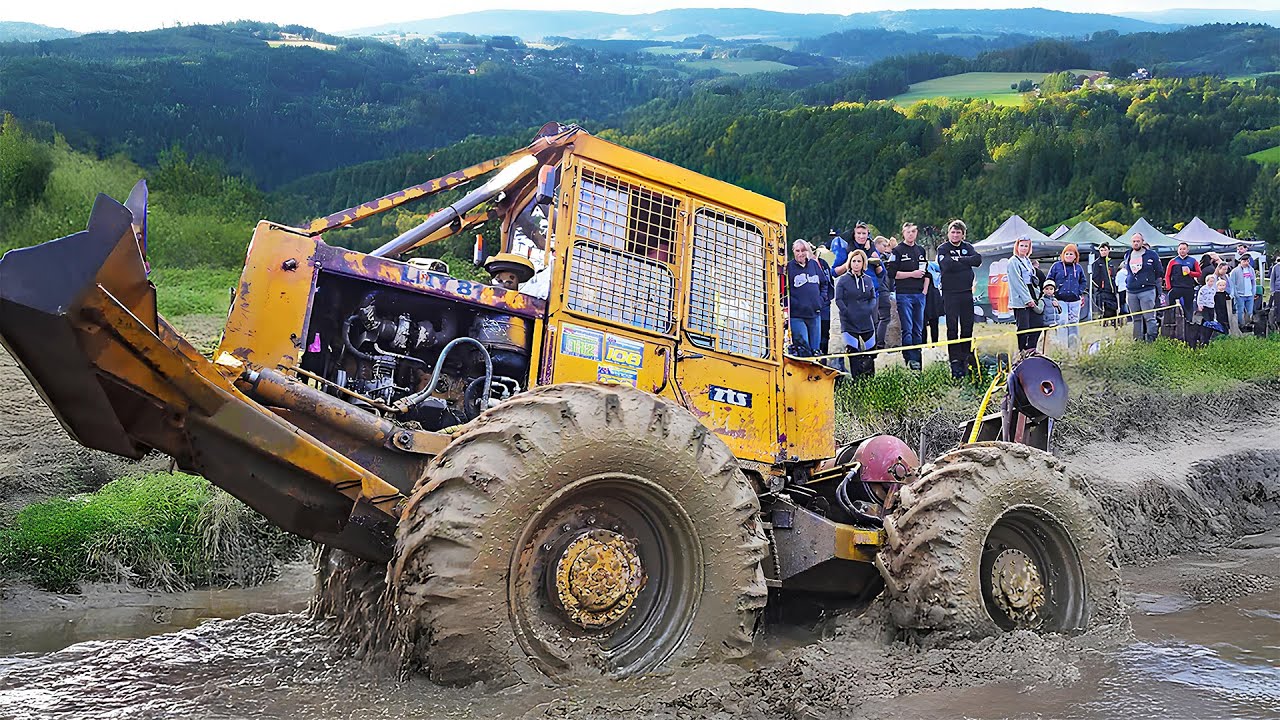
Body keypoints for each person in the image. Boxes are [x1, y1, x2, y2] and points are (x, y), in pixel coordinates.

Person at [935, 219, 982, 378]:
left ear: (963, 234)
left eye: (958, 232)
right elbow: (946, 265)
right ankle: (954, 360)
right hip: (950, 293)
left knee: (967, 327)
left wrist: (959, 260)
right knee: (952, 328)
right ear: (948, 234)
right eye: (953, 232)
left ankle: (966, 356)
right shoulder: (943, 248)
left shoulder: (968, 247)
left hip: (966, 292)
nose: (955, 235)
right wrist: (965, 262)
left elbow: (977, 260)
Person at [889, 222, 928, 370]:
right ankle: (909, 360)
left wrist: (924, 291)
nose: (910, 234)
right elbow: (892, 273)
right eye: (908, 232)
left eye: (913, 231)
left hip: (919, 294)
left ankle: (918, 360)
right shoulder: (897, 251)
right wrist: (912, 274)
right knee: (908, 329)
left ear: (916, 233)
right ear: (903, 233)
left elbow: (926, 271)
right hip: (904, 294)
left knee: (918, 329)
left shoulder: (920, 250)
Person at [836, 250, 879, 379]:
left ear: (863, 263)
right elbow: (838, 299)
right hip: (849, 322)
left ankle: (870, 381)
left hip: (866, 321)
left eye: (859, 261)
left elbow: (873, 297)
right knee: (853, 354)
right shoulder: (843, 280)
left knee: (871, 352)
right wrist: (846, 312)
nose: (856, 264)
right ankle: (856, 382)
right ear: (850, 263)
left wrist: (869, 309)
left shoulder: (868, 279)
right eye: (853, 261)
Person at [787, 240, 826, 356]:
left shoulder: (814, 265)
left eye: (803, 250)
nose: (800, 254)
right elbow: (783, 289)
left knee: (815, 350)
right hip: (797, 315)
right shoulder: (789, 267)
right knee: (803, 348)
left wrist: (821, 300)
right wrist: (793, 304)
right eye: (797, 251)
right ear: (793, 252)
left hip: (814, 314)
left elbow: (824, 283)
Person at [1123, 232, 1162, 342]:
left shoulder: (1151, 255)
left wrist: (1150, 280)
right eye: (1134, 241)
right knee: (1136, 318)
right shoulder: (1127, 254)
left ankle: (1152, 338)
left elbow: (1159, 271)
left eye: (1138, 241)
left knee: (1149, 317)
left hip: (1147, 289)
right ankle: (1137, 340)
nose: (1136, 243)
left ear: (1142, 242)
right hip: (1131, 290)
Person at [1007, 236, 1043, 352]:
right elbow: (1017, 282)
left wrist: (1036, 296)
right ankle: (1022, 351)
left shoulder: (1027, 261)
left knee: (1037, 324)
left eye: (1026, 246)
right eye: (1021, 245)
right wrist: (1027, 299)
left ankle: (1031, 349)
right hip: (1020, 296)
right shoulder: (1013, 261)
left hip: (1032, 292)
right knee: (1024, 327)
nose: (1023, 248)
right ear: (1017, 246)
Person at [1047, 243, 1086, 348]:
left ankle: (1073, 348)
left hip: (1074, 300)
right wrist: (1052, 294)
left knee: (1073, 322)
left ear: (1075, 256)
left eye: (1071, 254)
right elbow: (1049, 280)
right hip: (1060, 299)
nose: (1069, 256)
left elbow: (1083, 281)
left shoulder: (1078, 268)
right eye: (1067, 254)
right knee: (1062, 321)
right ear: (1063, 255)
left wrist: (1079, 291)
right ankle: (1062, 347)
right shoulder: (1056, 266)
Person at [1163, 241, 1201, 321]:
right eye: (1180, 249)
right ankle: (1172, 321)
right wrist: (1169, 286)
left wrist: (1190, 273)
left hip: (1188, 288)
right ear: (1177, 250)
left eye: (1184, 249)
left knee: (1188, 307)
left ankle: (1189, 322)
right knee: (1172, 306)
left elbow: (1199, 273)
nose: (1182, 251)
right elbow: (1167, 275)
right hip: (1176, 287)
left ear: (1187, 250)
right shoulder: (1173, 261)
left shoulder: (1193, 261)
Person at [811, 241, 836, 358]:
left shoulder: (823, 264)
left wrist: (827, 298)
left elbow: (829, 282)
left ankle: (824, 359)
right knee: (813, 335)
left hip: (825, 305)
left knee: (825, 334)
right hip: (810, 307)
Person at [873, 235, 895, 349]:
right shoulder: (878, 259)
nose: (886, 248)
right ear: (876, 245)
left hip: (879, 291)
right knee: (884, 318)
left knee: (877, 319)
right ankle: (880, 343)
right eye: (884, 245)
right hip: (882, 291)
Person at [1091, 241, 1120, 322]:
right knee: (1105, 312)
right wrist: (1101, 286)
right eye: (1101, 250)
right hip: (1103, 292)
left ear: (1109, 251)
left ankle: (1114, 326)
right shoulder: (1096, 263)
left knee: (1113, 311)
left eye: (1105, 250)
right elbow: (1094, 277)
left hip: (1112, 291)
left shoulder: (1110, 262)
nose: (1103, 252)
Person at [1229, 253, 1257, 332]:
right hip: (1240, 294)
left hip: (1250, 294)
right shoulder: (1235, 271)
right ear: (1240, 261)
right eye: (1244, 261)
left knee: (1249, 311)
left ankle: (1248, 325)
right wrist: (1235, 294)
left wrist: (1253, 291)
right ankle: (1241, 325)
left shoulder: (1251, 270)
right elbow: (1232, 283)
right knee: (1240, 311)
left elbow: (1253, 281)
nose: (1246, 263)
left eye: (1247, 261)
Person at [924, 249, 944, 344]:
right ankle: (923, 345)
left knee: (934, 321)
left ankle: (935, 344)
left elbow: (942, 269)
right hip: (922, 295)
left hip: (933, 295)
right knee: (922, 323)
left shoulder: (931, 265)